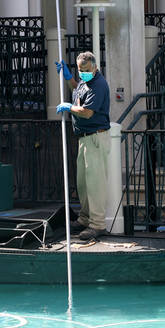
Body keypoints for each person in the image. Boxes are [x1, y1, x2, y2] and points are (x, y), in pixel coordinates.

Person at [54, 51, 111, 241]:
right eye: (79, 70)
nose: (82, 74)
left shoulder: (99, 84)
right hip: (84, 138)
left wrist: (68, 107)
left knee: (95, 184)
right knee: (84, 184)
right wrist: (68, 76)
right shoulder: (85, 81)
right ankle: (85, 219)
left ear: (94, 67)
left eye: (85, 70)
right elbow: (77, 88)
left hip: (95, 137)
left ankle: (97, 225)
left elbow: (87, 112)